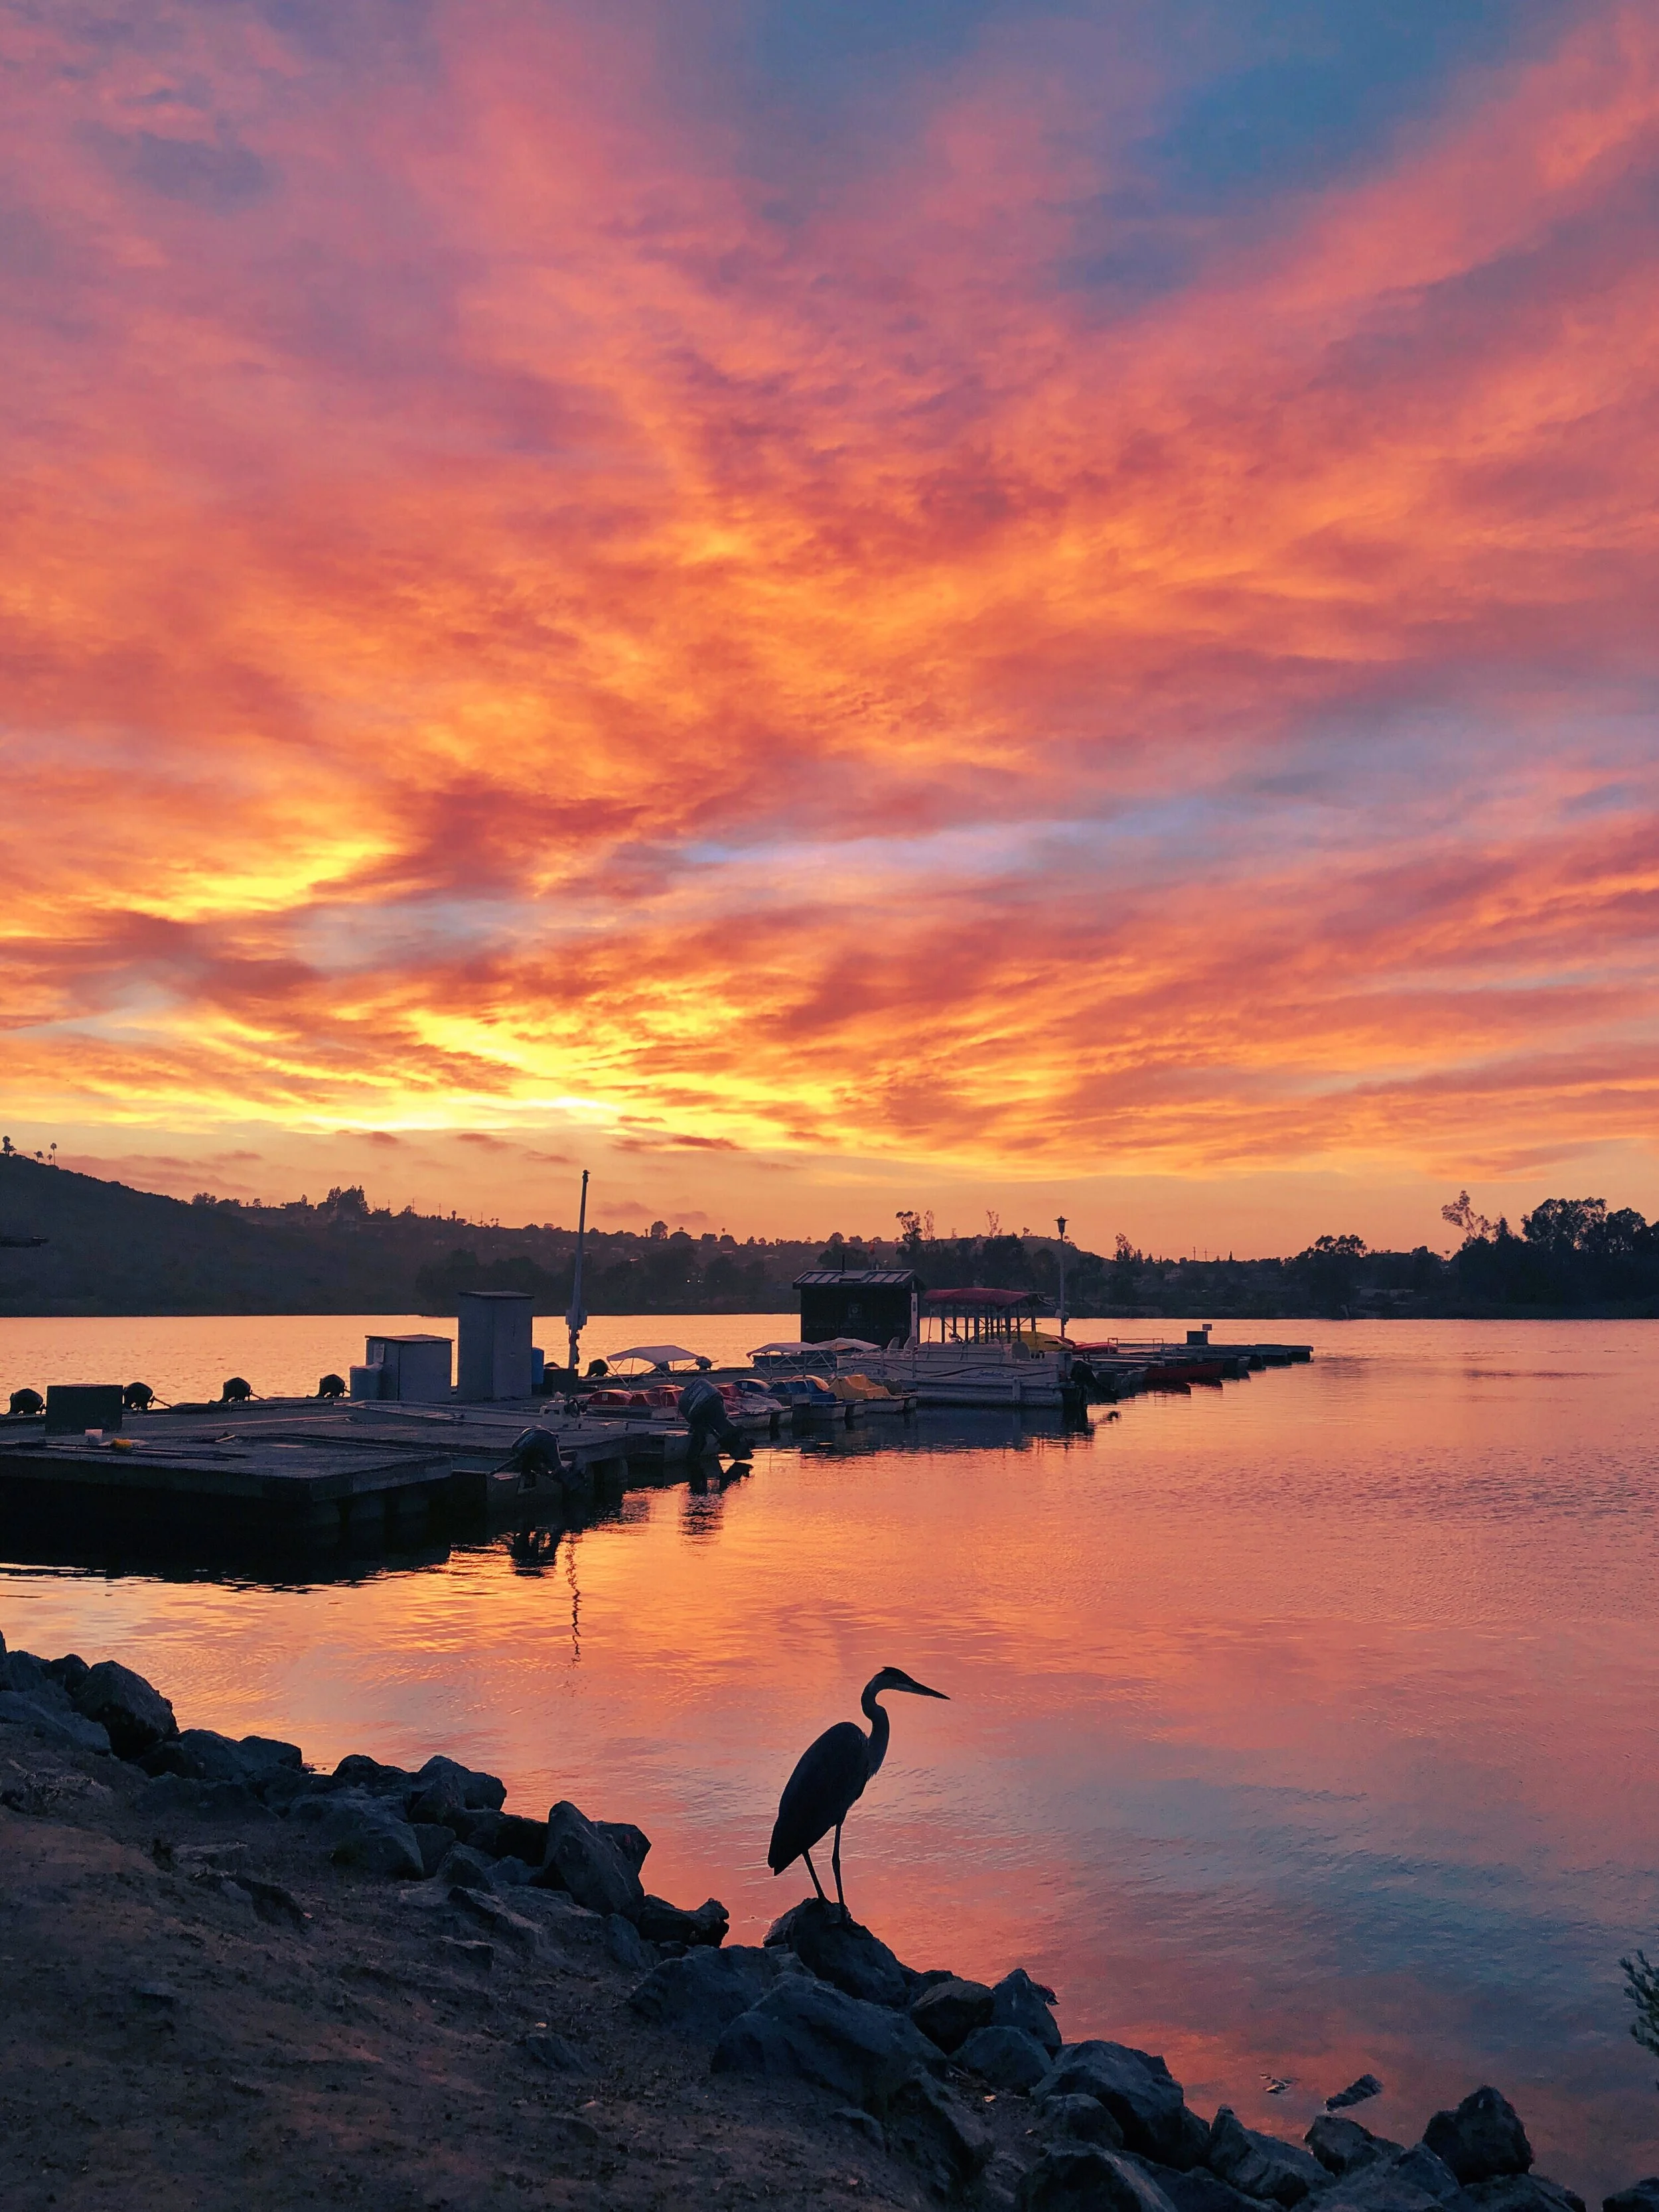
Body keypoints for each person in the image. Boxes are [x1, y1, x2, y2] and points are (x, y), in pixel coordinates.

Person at [677, 1375, 751, 1462]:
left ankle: (692, 1462)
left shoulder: (702, 1410)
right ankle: (691, 1461)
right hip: (710, 1403)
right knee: (710, 1430)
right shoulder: (715, 1409)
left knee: (703, 1433)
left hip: (705, 1406)